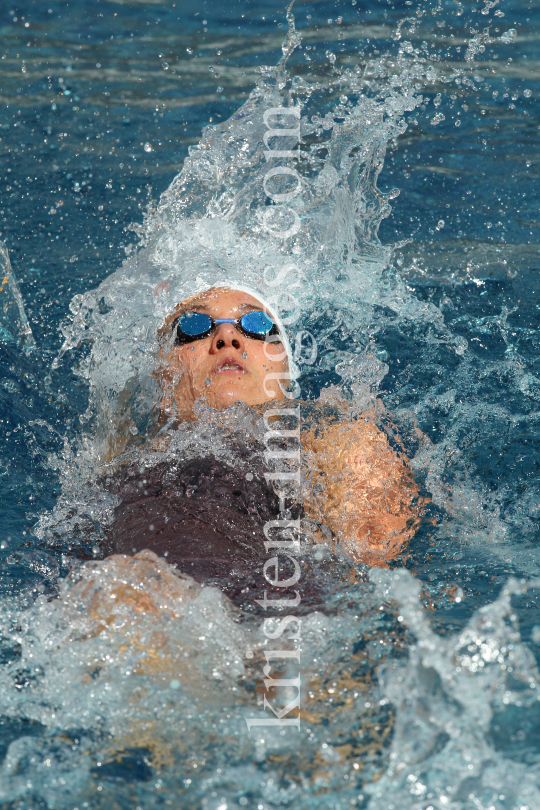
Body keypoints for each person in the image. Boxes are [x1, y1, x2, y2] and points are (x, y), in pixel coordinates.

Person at [100, 286, 422, 601]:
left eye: (257, 325)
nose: (227, 338)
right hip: (133, 593)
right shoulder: (119, 465)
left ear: (285, 376)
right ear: (161, 376)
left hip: (273, 605)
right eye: (193, 325)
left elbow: (372, 570)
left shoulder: (327, 448)